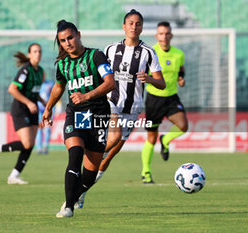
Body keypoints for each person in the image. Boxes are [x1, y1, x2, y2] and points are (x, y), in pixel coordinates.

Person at [76, 9, 166, 206]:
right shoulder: (110, 50)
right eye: (131, 23)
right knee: (113, 138)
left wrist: (150, 79)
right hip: (110, 103)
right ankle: (82, 154)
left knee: (108, 157)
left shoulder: (148, 53)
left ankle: (80, 192)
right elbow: (99, 75)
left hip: (132, 109)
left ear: (142, 28)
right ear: (124, 26)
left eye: (138, 24)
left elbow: (162, 84)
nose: (134, 27)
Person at [41, 20, 115, 218]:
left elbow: (110, 83)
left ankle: (76, 195)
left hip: (99, 114)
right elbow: (59, 86)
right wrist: (48, 108)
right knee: (75, 154)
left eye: (70, 37)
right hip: (77, 114)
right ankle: (68, 208)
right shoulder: (62, 64)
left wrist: (87, 95)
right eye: (62, 40)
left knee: (90, 173)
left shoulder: (96, 56)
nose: (67, 43)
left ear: (79, 34)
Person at [0, 43, 46, 185]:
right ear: (29, 54)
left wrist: (43, 102)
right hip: (21, 108)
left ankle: (14, 176)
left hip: (33, 108)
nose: (38, 54)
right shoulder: (25, 70)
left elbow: (34, 91)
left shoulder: (41, 71)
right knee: (27, 142)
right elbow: (12, 89)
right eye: (35, 51)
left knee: (30, 145)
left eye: (39, 52)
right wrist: (29, 103)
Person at [141, 21, 188, 183]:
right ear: (156, 36)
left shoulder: (178, 54)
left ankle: (165, 140)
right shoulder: (150, 52)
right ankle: (146, 172)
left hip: (171, 97)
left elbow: (181, 71)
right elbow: (144, 75)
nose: (164, 36)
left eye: (167, 33)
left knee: (183, 126)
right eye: (161, 33)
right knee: (151, 138)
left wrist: (181, 80)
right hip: (154, 99)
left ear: (171, 35)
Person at [36, 79, 54, 154]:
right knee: (39, 127)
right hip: (39, 109)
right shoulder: (37, 84)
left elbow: (55, 94)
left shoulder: (50, 83)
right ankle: (39, 147)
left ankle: (46, 145)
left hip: (48, 109)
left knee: (48, 127)